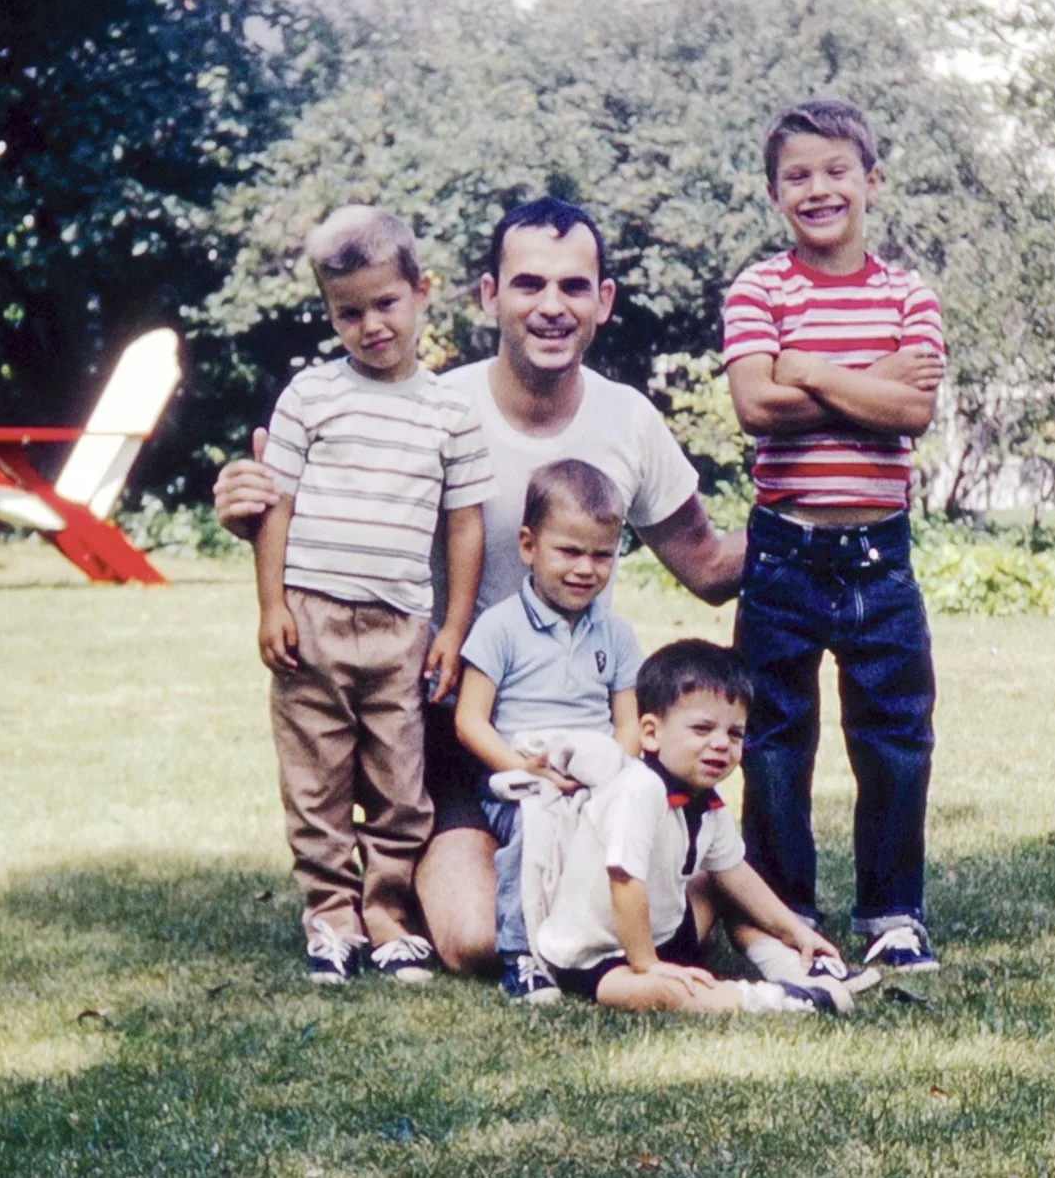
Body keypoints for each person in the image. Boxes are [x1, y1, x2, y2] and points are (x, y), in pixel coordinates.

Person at [216, 196, 745, 974]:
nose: (551, 307)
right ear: (489, 295)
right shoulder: (428, 405)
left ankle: (704, 871)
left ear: (604, 302)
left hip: (579, 737)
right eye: (529, 284)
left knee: (659, 917)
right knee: (469, 942)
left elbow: (706, 567)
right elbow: (318, 509)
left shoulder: (629, 421)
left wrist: (815, 503)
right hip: (450, 724)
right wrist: (248, 510)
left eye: (574, 287)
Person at [721, 98, 947, 973]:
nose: (818, 190)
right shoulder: (758, 287)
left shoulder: (907, 294)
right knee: (774, 742)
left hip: (879, 560)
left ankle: (892, 913)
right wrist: (867, 380)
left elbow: (913, 409)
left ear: (871, 181)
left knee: (893, 736)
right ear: (777, 194)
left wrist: (806, 369)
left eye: (835, 171)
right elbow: (754, 406)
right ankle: (783, 922)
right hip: (783, 553)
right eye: (797, 177)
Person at [254, 205, 497, 986]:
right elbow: (275, 507)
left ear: (421, 292)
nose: (370, 326)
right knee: (316, 777)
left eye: (385, 304)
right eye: (347, 312)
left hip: (402, 623)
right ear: (329, 313)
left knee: (401, 779)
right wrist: (272, 606)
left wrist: (452, 627)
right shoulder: (310, 397)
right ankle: (330, 917)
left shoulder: (450, 414)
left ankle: (387, 911)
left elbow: (464, 528)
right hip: (313, 619)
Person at [536, 639, 858, 1014]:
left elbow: (735, 874)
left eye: (734, 734)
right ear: (651, 734)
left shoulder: (706, 800)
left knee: (723, 886)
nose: (721, 744)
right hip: (597, 955)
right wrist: (647, 965)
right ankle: (775, 1001)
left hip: (665, 934)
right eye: (703, 729)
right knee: (661, 994)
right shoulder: (638, 788)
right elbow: (623, 880)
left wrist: (796, 930)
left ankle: (797, 968)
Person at [454, 459, 644, 1004]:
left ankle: (616, 942)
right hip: (520, 773)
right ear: (528, 545)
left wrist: (608, 772)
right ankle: (522, 955)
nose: (586, 569)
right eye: (570, 551)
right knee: (535, 827)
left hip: (594, 767)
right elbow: (470, 719)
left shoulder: (616, 635)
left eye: (602, 555)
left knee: (637, 814)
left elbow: (628, 721)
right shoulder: (500, 627)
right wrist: (523, 768)